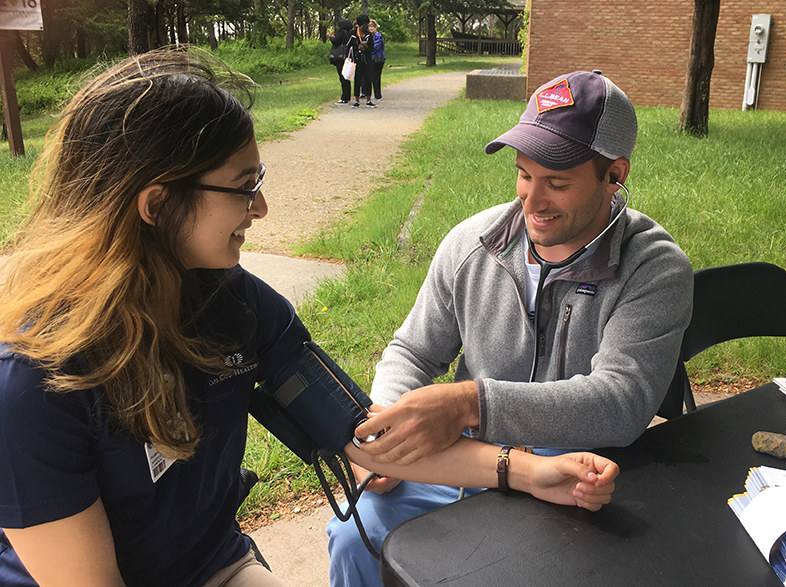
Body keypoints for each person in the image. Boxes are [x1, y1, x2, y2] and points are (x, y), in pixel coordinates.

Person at [0, 51, 620, 587]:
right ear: (157, 204)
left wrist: (531, 472)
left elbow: (367, 439)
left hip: (211, 567)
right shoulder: (33, 383)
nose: (262, 208)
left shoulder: (237, 306)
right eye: (244, 186)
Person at [327, 70, 694, 587]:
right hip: (466, 458)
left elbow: (623, 400)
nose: (532, 200)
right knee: (353, 536)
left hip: (573, 472)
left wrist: (470, 403)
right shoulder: (470, 244)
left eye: (557, 183)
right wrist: (388, 428)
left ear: (615, 174)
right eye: (524, 174)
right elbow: (412, 351)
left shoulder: (653, 268)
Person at [347, 15, 375, 109]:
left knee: (368, 79)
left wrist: (365, 48)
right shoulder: (353, 33)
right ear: (362, 25)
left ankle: (368, 100)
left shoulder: (368, 34)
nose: (368, 25)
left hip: (367, 60)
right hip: (357, 60)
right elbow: (347, 46)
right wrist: (357, 48)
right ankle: (357, 101)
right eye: (366, 24)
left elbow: (372, 47)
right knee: (357, 80)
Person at [327, 18, 354, 105]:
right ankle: (348, 96)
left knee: (342, 76)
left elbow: (336, 42)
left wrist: (330, 38)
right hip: (347, 55)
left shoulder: (342, 32)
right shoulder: (350, 32)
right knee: (347, 76)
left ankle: (344, 98)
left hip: (340, 57)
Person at [368, 20, 385, 101]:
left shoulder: (378, 36)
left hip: (377, 59)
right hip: (373, 58)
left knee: (376, 77)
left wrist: (367, 49)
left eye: (372, 27)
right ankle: (376, 94)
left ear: (375, 27)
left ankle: (378, 95)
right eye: (369, 27)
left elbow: (375, 48)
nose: (371, 28)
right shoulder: (371, 36)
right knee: (374, 77)